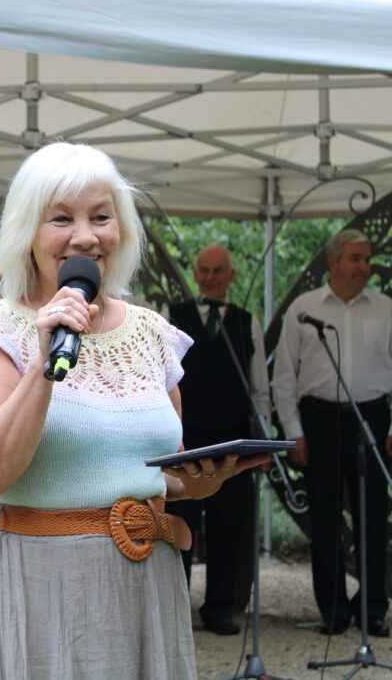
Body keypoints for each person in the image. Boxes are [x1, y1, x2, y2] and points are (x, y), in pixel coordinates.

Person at [0, 142, 265, 679]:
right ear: (27, 234)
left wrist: (201, 482)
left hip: (145, 581)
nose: (86, 236)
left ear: (123, 230)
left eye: (101, 217)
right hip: (35, 583)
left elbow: (166, 467)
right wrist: (45, 360)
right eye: (62, 218)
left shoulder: (153, 334)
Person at [272, 229, 392, 637]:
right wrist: (294, 432)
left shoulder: (386, 308)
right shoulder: (303, 310)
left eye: (367, 259)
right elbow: (284, 377)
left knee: (373, 517)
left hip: (372, 420)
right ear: (334, 263)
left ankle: (373, 608)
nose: (364, 267)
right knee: (324, 519)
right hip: (318, 421)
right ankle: (334, 611)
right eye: (355, 258)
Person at [166, 245, 269, 635]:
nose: (211, 278)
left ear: (231, 276)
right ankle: (177, 606)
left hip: (233, 441)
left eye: (218, 271)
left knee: (229, 525)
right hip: (187, 438)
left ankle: (221, 607)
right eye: (204, 271)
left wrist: (262, 436)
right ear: (196, 274)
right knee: (182, 524)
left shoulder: (247, 322)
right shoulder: (174, 317)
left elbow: (260, 386)